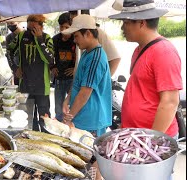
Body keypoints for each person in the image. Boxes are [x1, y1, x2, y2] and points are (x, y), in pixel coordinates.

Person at [109, 0, 182, 138]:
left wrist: (151, 142)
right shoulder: (139, 50)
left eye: (126, 22)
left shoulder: (164, 51)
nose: (122, 28)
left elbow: (170, 102)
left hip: (153, 140)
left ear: (141, 22)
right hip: (136, 134)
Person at [61, 14, 111, 180]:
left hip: (92, 119)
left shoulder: (96, 56)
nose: (74, 40)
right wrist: (67, 99)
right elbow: (77, 83)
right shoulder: (86, 53)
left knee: (92, 160)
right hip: (83, 117)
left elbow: (85, 92)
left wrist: (69, 117)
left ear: (88, 33)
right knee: (87, 160)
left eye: (76, 36)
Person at [7, 14, 54, 131]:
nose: (30, 32)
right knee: (27, 117)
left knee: (44, 118)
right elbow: (9, 51)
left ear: (41, 27)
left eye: (34, 29)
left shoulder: (47, 38)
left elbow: (49, 59)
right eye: (29, 29)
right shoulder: (21, 36)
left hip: (42, 85)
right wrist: (14, 68)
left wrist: (39, 39)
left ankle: (45, 141)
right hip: (25, 84)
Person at [69, 11, 121, 76]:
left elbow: (115, 58)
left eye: (76, 19)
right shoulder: (78, 35)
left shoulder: (98, 33)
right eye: (71, 20)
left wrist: (105, 81)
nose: (72, 23)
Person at [51, 12, 76, 122]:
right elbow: (50, 55)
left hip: (72, 79)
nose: (64, 29)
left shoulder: (76, 39)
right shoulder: (55, 39)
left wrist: (75, 68)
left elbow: (80, 57)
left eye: (67, 27)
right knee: (59, 107)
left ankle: (70, 125)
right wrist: (52, 67)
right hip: (59, 78)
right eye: (61, 27)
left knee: (72, 105)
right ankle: (59, 126)